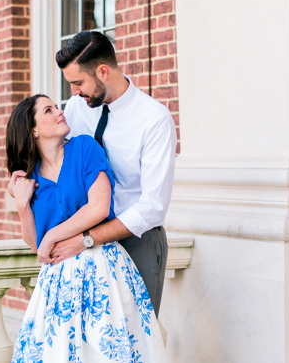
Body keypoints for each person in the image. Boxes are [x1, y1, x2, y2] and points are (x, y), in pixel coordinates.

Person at [9, 31, 177, 316]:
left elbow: (152, 207)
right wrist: (20, 184)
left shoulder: (154, 120)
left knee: (134, 343)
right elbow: (50, 153)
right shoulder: (78, 107)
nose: (73, 93)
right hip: (81, 251)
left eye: (78, 82)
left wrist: (84, 239)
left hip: (137, 241)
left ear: (102, 71)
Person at [6, 94, 167, 362]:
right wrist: (22, 205)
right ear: (32, 129)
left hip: (102, 269)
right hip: (59, 281)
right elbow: (37, 245)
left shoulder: (85, 149)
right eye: (49, 110)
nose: (60, 111)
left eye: (56, 106)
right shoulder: (29, 178)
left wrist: (53, 235)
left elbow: (99, 207)